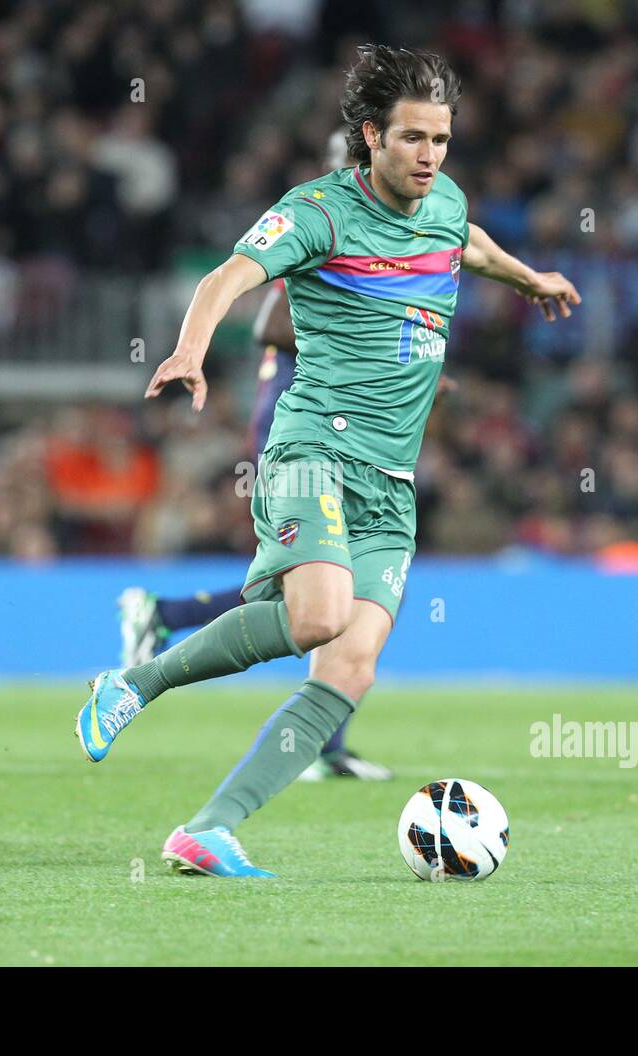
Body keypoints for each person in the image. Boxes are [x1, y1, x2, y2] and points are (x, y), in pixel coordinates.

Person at [76, 44, 580, 877]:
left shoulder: (444, 204)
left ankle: (211, 827)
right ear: (371, 136)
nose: (430, 156)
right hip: (314, 448)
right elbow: (227, 277)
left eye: (442, 140)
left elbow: (472, 244)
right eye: (413, 139)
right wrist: (191, 353)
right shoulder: (318, 213)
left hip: (391, 479)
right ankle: (136, 683)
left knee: (352, 663)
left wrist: (530, 279)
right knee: (317, 617)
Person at [118, 130, 395, 782]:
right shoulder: (324, 222)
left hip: (333, 424)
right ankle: (170, 623)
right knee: (330, 585)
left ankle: (166, 615)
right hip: (299, 423)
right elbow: (272, 320)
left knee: (321, 585)